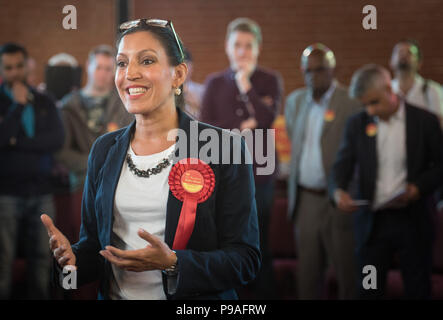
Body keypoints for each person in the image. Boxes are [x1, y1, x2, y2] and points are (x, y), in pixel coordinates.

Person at [41, 18, 261, 300]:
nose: (130, 73)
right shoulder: (104, 149)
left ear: (178, 75)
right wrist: (70, 263)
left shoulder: (222, 147)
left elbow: (245, 259)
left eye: (146, 61)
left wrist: (174, 264)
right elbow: (93, 248)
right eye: (122, 63)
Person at [330, 64, 443, 299]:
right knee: (370, 290)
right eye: (365, 104)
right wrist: (338, 191)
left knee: (417, 289)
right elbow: (342, 164)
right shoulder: (357, 124)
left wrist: (419, 187)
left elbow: (440, 166)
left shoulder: (425, 121)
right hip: (373, 224)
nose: (369, 110)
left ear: (388, 89)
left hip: (413, 220)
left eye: (374, 102)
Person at [200, 17, 282, 299]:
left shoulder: (269, 80)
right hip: (223, 177)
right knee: (227, 243)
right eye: (238, 45)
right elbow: (205, 133)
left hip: (261, 174)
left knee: (258, 242)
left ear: (258, 49)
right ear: (227, 47)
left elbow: (266, 119)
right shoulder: (213, 84)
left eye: (249, 46)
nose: (243, 52)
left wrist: (245, 84)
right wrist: (241, 128)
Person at [284, 43, 360, 299]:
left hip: (338, 201)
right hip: (306, 201)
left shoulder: (350, 103)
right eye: (308, 70)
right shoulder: (294, 102)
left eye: (319, 70)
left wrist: (349, 192)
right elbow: (296, 143)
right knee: (307, 277)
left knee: (347, 275)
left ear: (331, 70)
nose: (312, 76)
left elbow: (361, 154)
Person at [0, 43, 65, 299]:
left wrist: (16, 143)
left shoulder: (43, 100)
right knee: (3, 260)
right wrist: (16, 107)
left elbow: (55, 140)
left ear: (27, 66)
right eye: (8, 68)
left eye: (19, 66)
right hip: (6, 194)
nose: (15, 73)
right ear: (2, 70)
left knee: (42, 258)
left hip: (41, 191)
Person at [57, 45, 134, 193]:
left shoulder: (125, 103)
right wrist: (95, 161)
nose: (103, 73)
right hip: (82, 182)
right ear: (88, 66)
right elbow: (62, 151)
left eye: (108, 69)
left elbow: (131, 143)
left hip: (118, 182)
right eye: (98, 67)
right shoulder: (69, 105)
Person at [390, 39, 443, 127]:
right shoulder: (386, 90)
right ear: (391, 62)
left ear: (419, 63)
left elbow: (439, 125)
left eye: (409, 53)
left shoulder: (433, 90)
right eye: (400, 52)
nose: (403, 55)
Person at [182, 48, 204, 120]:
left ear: (192, 67)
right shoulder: (166, 91)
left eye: (186, 65)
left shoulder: (202, 90)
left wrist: (197, 104)